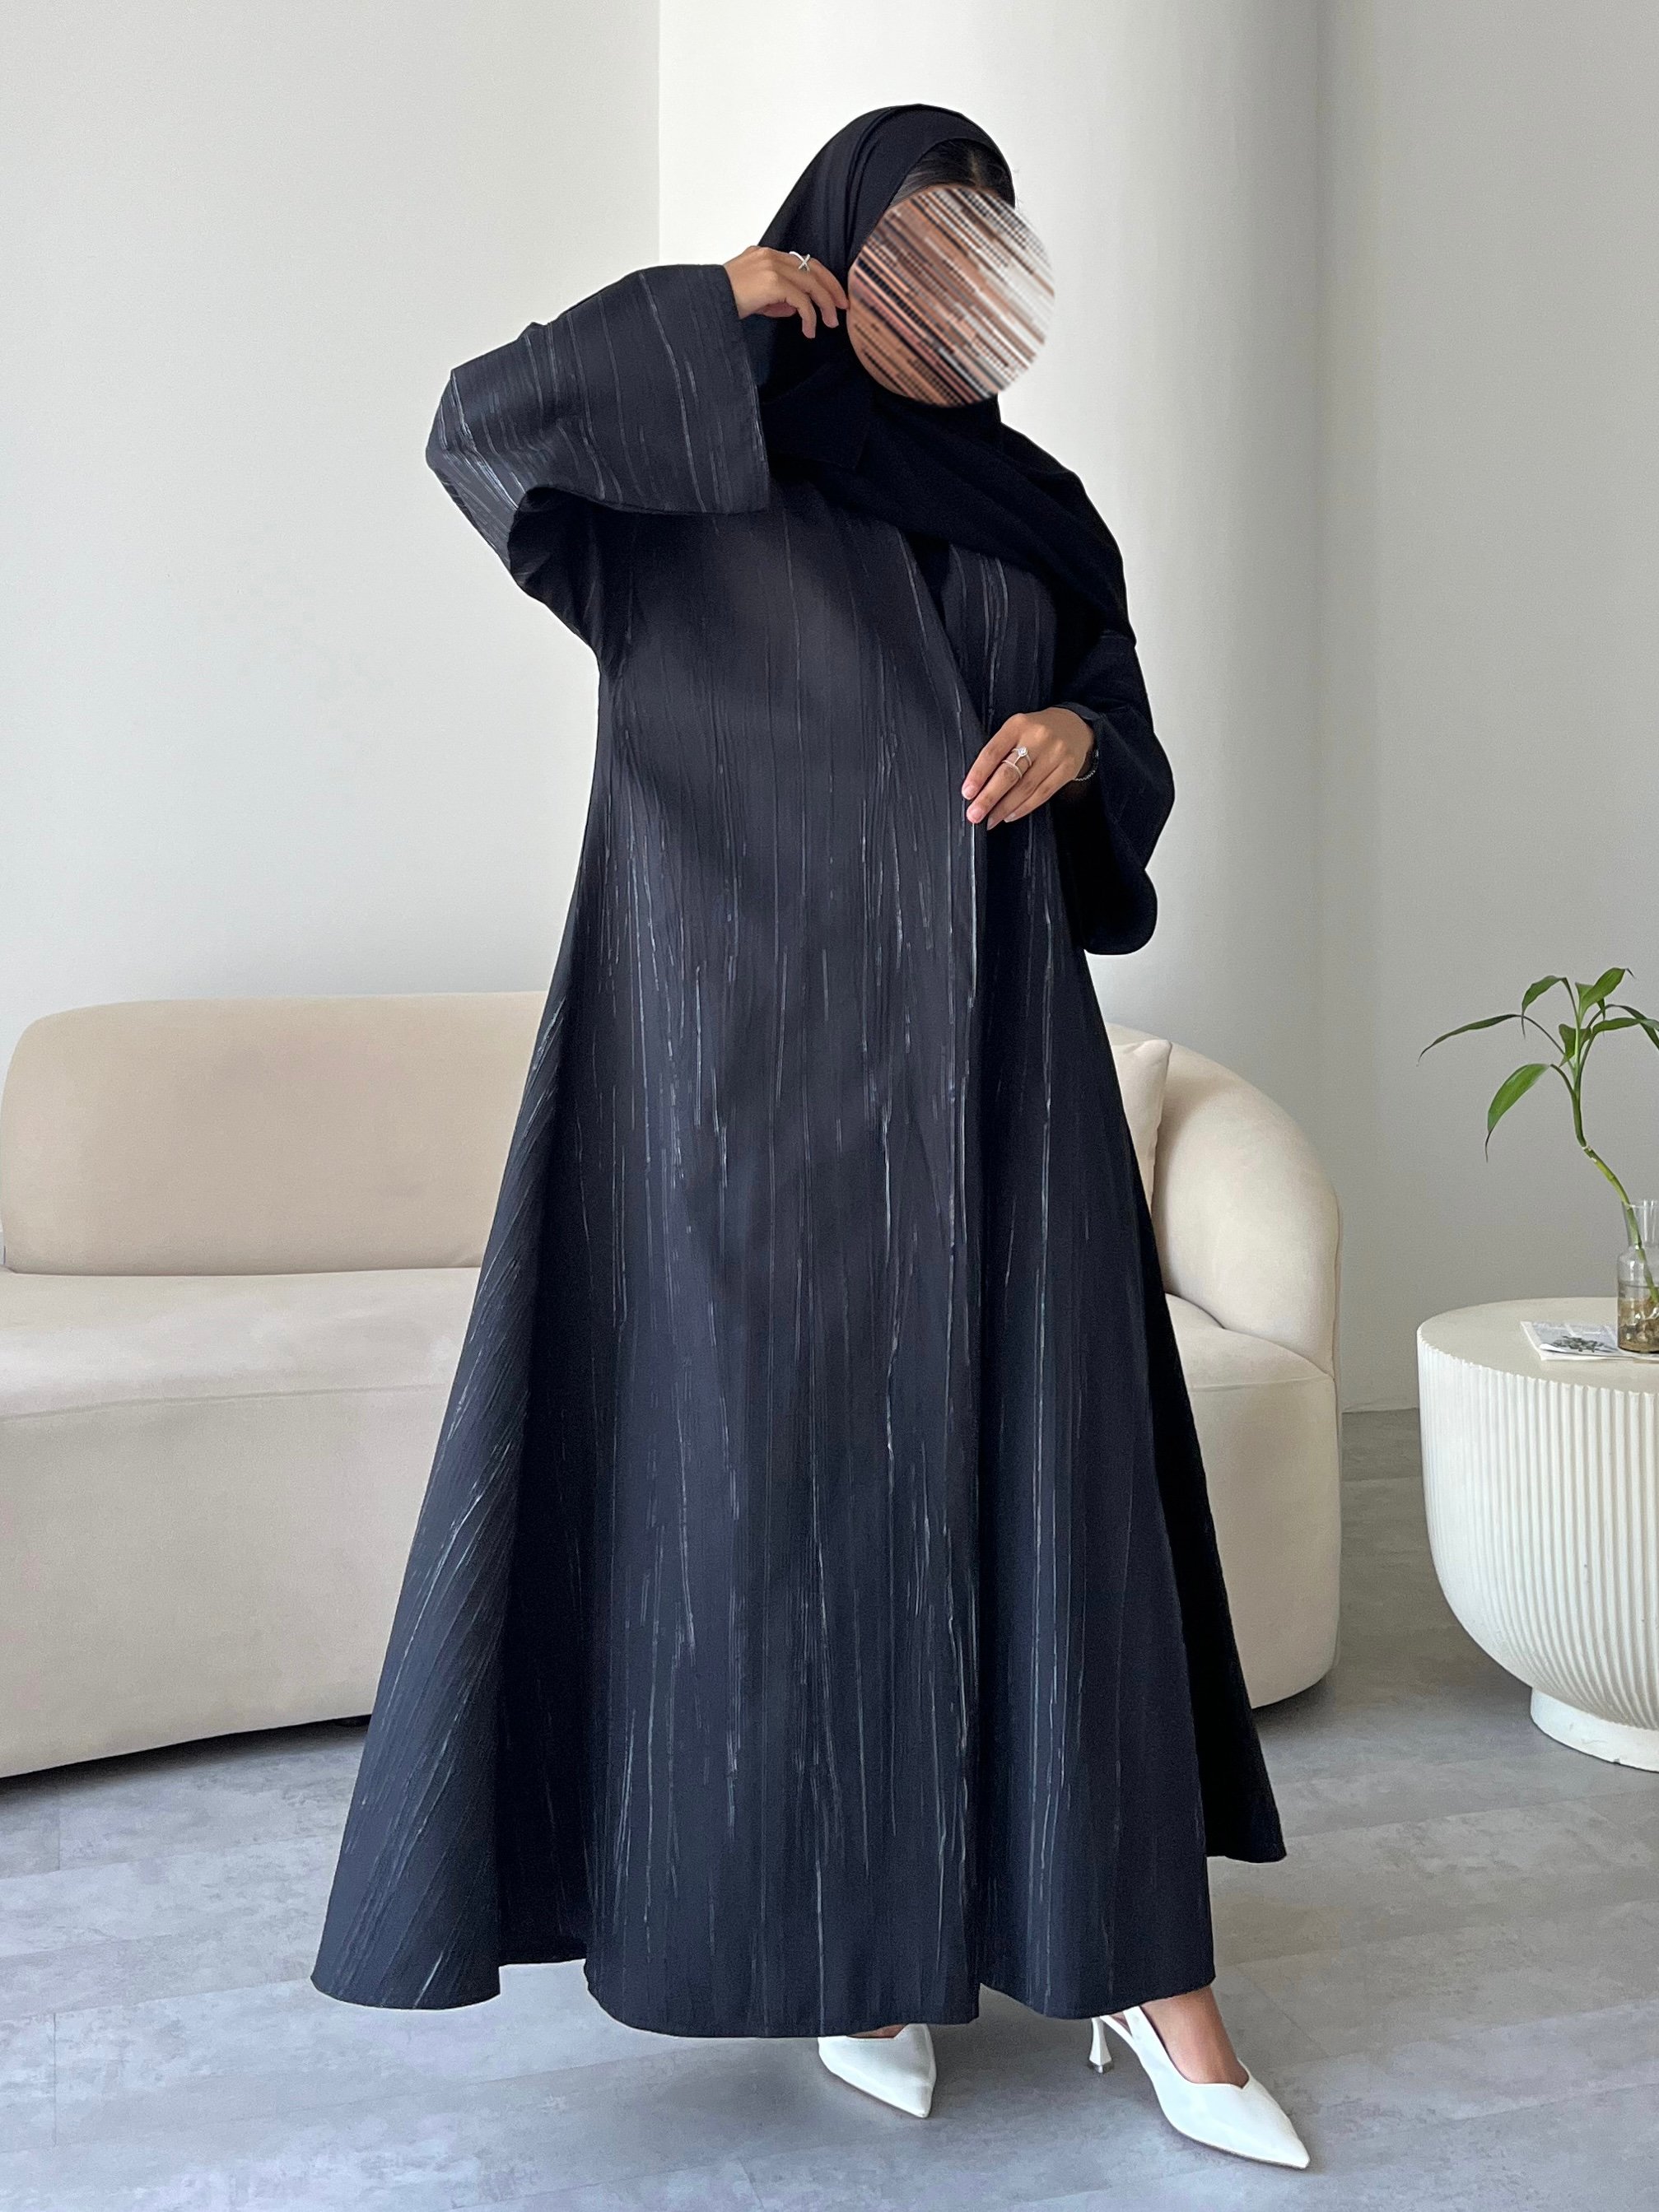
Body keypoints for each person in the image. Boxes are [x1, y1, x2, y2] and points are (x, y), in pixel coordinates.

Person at [310, 103, 1309, 2172]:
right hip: (742, 1096)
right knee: (778, 1525)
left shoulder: (1039, 505)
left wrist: (1084, 740)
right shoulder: (682, 476)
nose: (951, 293)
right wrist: (710, 302)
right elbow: (476, 427)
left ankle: (1149, 1979)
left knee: (1056, 1500)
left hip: (1000, 1081)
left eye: (983, 257)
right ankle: (857, 1956)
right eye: (913, 248)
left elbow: (1116, 707)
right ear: (842, 252)